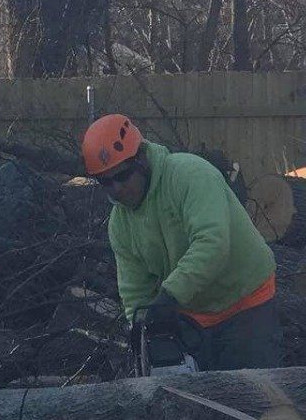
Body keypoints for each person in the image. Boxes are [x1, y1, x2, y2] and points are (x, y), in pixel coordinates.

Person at [83, 113, 281, 371]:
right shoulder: (120, 224)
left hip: (245, 301)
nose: (116, 189)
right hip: (192, 315)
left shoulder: (189, 175)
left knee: (252, 399)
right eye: (106, 182)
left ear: (141, 159)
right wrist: (140, 326)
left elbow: (212, 244)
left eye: (122, 176)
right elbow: (134, 289)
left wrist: (169, 296)